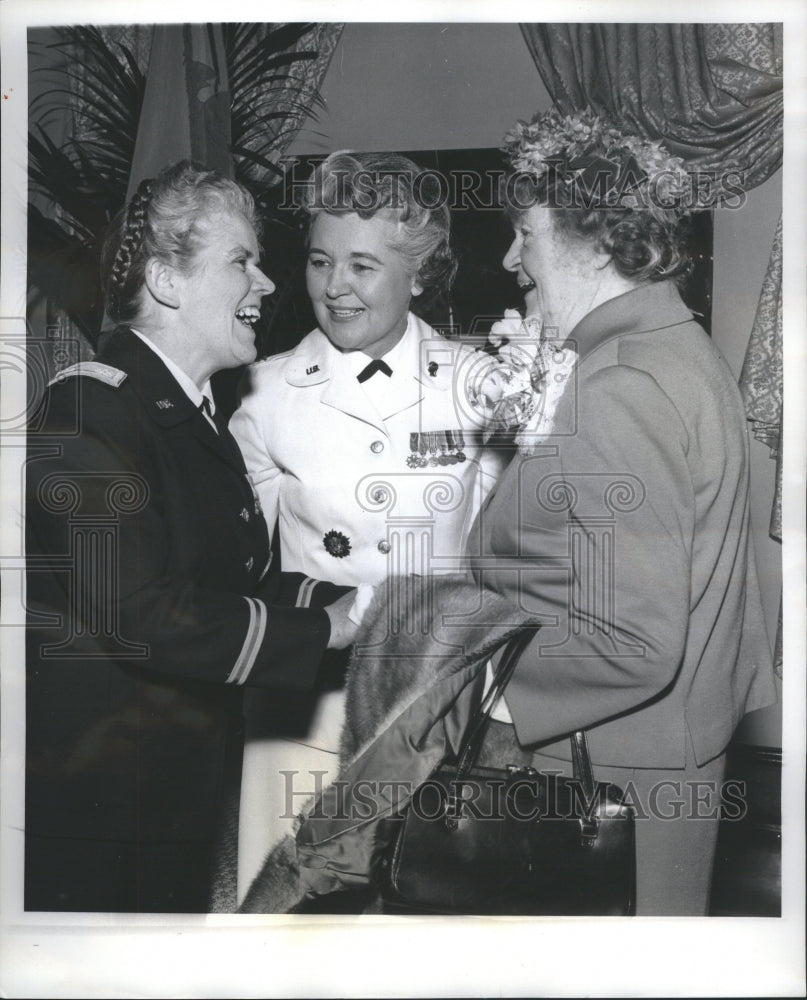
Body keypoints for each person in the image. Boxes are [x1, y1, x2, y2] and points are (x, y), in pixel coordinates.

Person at [462, 108, 778, 915]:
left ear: (597, 239)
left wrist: (480, 678)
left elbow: (632, 639)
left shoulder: (621, 384)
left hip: (607, 781)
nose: (510, 257)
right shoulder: (676, 348)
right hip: (662, 759)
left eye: (523, 232)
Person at [25, 160, 361, 913]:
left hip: (165, 790)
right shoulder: (91, 409)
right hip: (97, 811)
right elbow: (141, 615)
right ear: (168, 282)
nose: (267, 285)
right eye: (242, 261)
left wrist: (358, 603)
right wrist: (321, 629)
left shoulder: (183, 413)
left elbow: (226, 578)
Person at [229, 151, 505, 901]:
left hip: (431, 707)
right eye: (320, 262)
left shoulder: (479, 386)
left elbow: (501, 559)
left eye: (361, 266)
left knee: (410, 911)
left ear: (419, 274)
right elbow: (244, 562)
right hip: (306, 700)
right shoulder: (262, 392)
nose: (334, 288)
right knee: (285, 903)